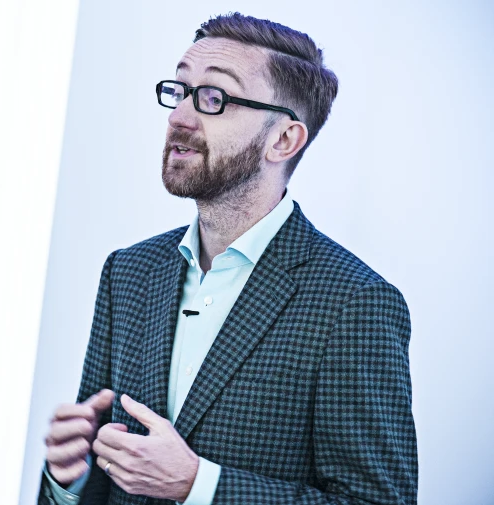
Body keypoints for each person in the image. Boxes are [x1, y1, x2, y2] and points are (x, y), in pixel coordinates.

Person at [38, 12, 417, 505]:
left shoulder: (355, 303)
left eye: (213, 98)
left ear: (283, 140)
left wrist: (199, 486)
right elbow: (100, 475)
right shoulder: (129, 274)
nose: (179, 116)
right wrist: (68, 482)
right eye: (179, 90)